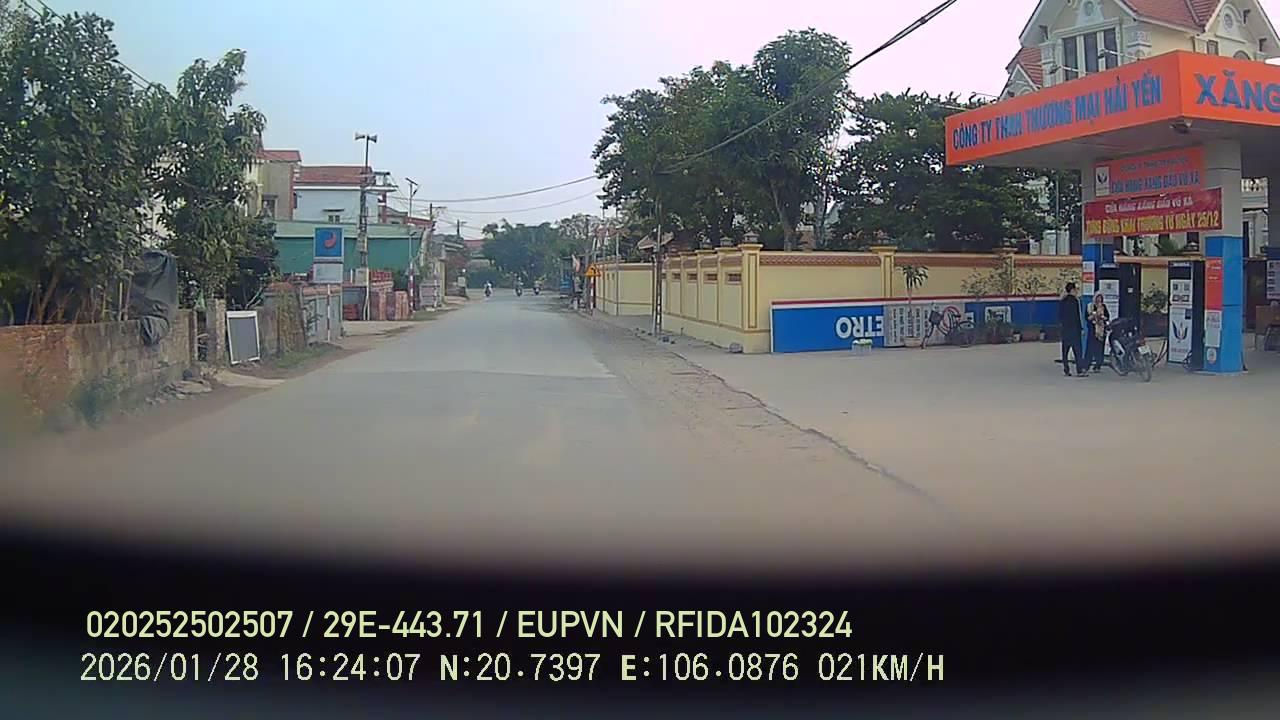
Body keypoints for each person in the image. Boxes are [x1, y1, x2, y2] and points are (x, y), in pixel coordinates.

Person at [1058, 282, 1085, 377]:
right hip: (1075, 330)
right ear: (1072, 290)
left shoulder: (1062, 301)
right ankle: (1079, 370)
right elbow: (1077, 316)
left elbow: (1060, 316)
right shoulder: (1075, 301)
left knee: (1065, 352)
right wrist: (1081, 328)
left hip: (1065, 329)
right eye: (1075, 289)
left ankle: (1066, 370)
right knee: (1077, 351)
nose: (1076, 291)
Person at [1086, 292, 1110, 373]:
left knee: (1100, 348)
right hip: (1093, 330)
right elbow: (1087, 317)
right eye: (1098, 298)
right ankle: (1086, 365)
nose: (1099, 300)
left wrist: (1103, 317)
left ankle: (1098, 365)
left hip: (1101, 330)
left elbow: (1107, 317)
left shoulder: (1103, 307)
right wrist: (1094, 315)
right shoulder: (1090, 306)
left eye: (1101, 298)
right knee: (1090, 348)